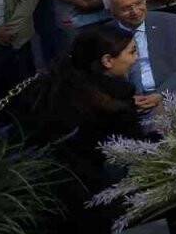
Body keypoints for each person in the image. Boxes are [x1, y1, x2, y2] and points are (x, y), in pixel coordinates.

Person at [18, 25, 144, 234]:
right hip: (99, 190)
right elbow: (133, 146)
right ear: (107, 61)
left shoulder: (59, 87)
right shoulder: (117, 97)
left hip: (56, 193)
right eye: (131, 52)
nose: (136, 58)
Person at [101, 0, 176, 112]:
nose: (135, 11)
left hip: (171, 95)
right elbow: (100, 75)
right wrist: (126, 99)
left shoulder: (173, 23)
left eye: (138, 3)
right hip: (125, 103)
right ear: (112, 12)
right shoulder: (103, 35)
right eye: (126, 8)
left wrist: (162, 93)